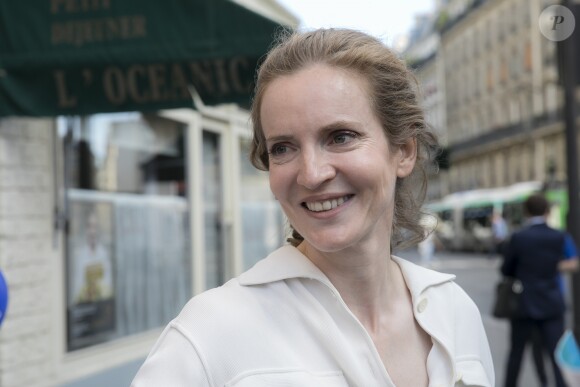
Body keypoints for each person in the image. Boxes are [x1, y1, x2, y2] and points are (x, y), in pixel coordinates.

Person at [132, 28, 494, 386]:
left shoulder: (455, 312)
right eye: (283, 148)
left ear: (404, 151)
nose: (311, 174)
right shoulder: (208, 336)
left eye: (340, 137)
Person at [501, 194, 579, 387]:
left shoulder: (518, 237)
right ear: (547, 211)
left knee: (516, 354)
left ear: (526, 212)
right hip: (551, 302)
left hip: (524, 303)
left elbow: (506, 270)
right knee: (557, 355)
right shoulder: (559, 236)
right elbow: (573, 262)